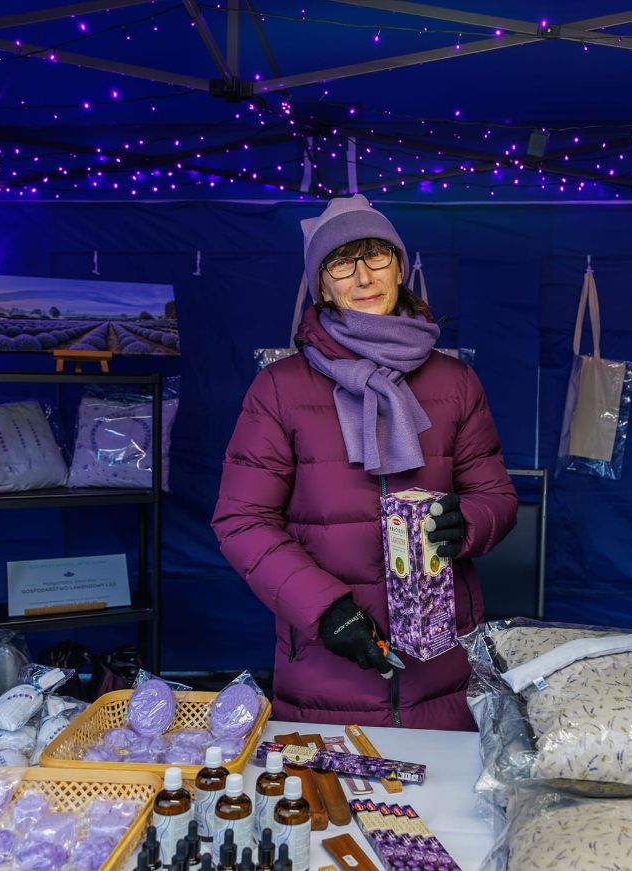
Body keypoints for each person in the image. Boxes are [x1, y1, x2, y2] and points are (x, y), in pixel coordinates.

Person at [212, 195, 517, 730]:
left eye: (376, 255)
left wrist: (468, 522)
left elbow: (496, 496)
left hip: (441, 659)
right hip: (326, 668)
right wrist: (324, 610)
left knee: (441, 809)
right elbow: (242, 520)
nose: (362, 276)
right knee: (335, 808)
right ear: (321, 285)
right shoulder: (280, 389)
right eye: (341, 262)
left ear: (400, 266)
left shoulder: (454, 382)